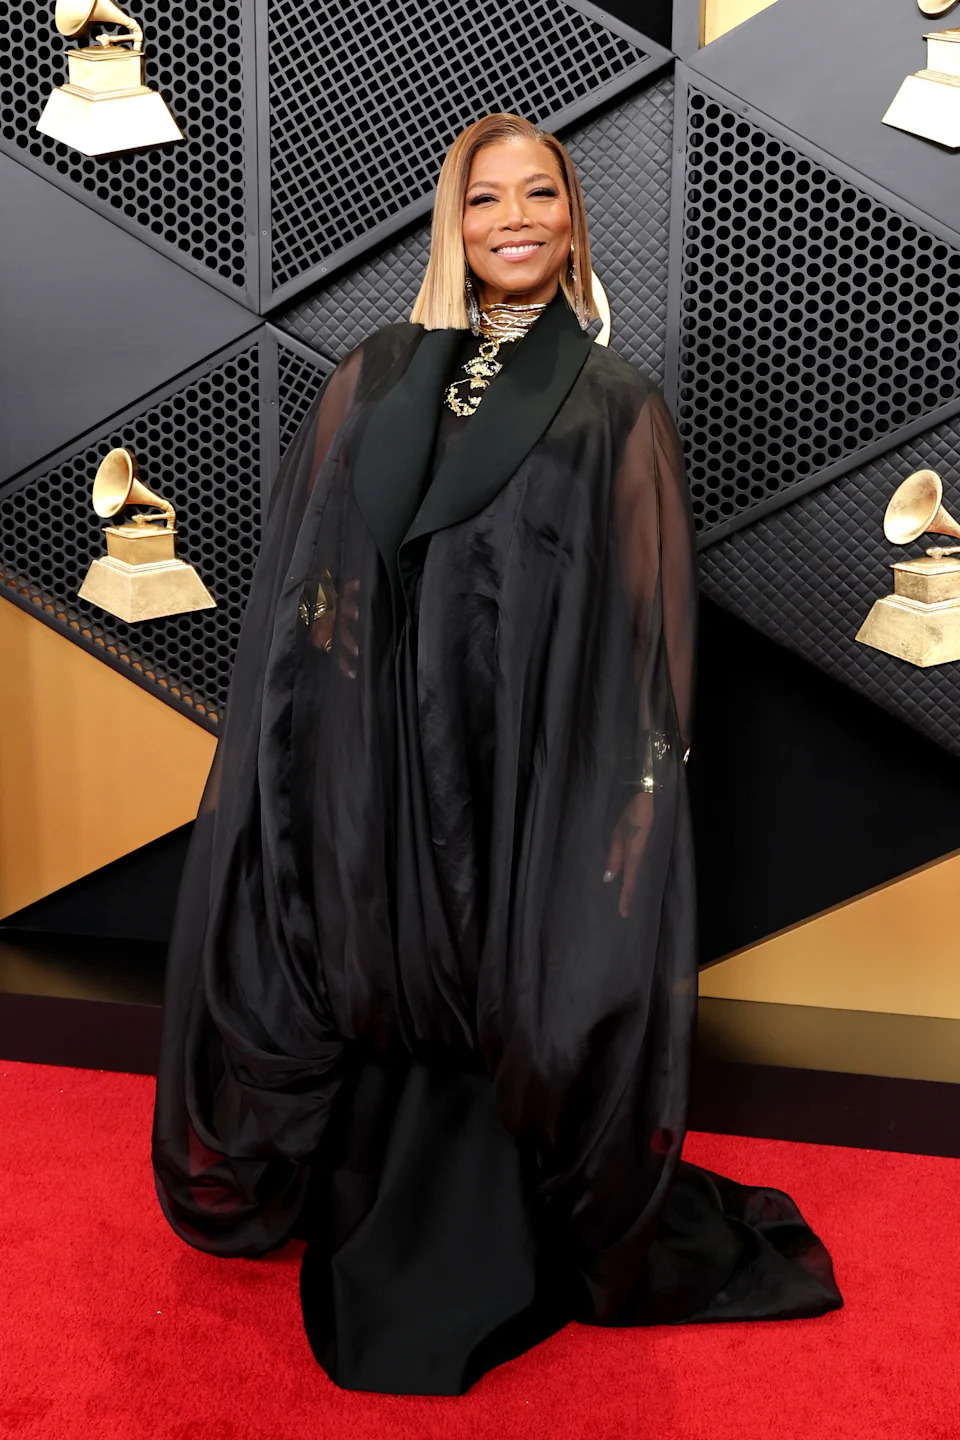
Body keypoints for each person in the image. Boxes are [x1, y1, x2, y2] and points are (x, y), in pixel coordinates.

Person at [152, 113, 842, 1396]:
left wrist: (626, 800)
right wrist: (327, 735)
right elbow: (319, 573)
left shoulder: (613, 403)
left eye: (539, 196)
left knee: (512, 983)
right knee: (374, 967)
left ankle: (499, 1220)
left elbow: (645, 628)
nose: (514, 218)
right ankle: (378, 1191)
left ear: (572, 218)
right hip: (378, 756)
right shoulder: (374, 371)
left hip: (529, 767)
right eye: (486, 200)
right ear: (452, 223)